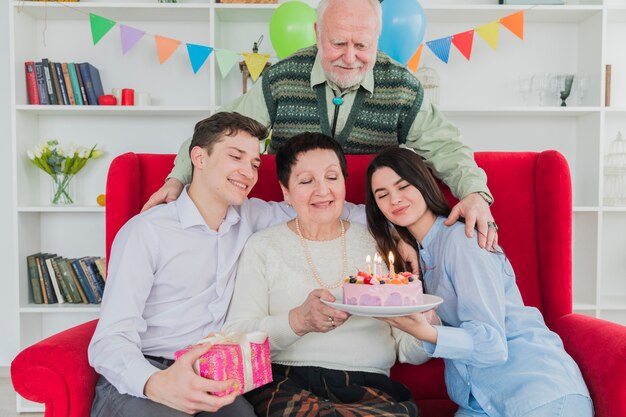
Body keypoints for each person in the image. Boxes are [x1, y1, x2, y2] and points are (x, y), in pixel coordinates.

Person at [142, 0, 499, 251]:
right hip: (293, 229)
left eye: (362, 45)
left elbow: (447, 147)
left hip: (369, 231)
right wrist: (178, 179)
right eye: (338, 42)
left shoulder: (403, 86)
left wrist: (475, 193)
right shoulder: (281, 79)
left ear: (377, 39)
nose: (349, 56)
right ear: (317, 32)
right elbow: (217, 133)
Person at [88, 112, 297, 417]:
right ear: (198, 157)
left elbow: (318, 208)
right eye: (235, 157)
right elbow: (110, 339)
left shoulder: (253, 216)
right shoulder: (146, 231)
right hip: (143, 371)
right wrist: (155, 383)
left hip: (212, 371)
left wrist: (388, 210)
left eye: (254, 163)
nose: (249, 172)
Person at [364, 147, 593, 417]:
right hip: (481, 403)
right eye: (382, 195)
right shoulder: (420, 255)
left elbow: (492, 345)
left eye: (403, 186)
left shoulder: (462, 241)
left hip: (539, 394)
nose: (395, 200)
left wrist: (424, 331)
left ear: (423, 183)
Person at [223, 133, 435, 417]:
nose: (322, 190)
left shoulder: (380, 243)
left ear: (344, 184)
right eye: (306, 181)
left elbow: (409, 350)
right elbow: (236, 339)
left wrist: (427, 328)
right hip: (286, 382)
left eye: (332, 177)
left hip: (370, 388)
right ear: (285, 191)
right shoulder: (263, 246)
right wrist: (298, 321)